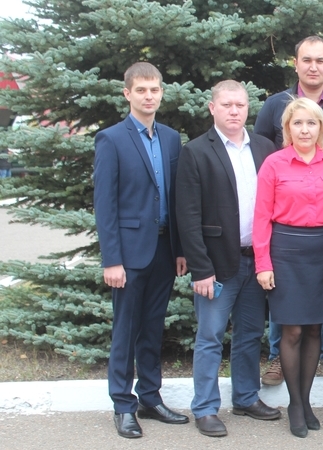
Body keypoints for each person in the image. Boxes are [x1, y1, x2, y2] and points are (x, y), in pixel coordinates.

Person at [254, 36, 323, 386]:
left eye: (320, 60)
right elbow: (260, 152)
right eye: (306, 60)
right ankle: (277, 357)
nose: (313, 66)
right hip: (287, 225)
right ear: (296, 64)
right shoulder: (274, 106)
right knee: (283, 302)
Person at [175, 80, 281, 438]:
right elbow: (188, 216)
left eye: (240, 105)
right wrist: (201, 269)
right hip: (217, 265)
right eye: (227, 105)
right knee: (210, 337)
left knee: (250, 334)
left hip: (256, 261)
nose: (234, 111)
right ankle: (205, 408)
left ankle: (246, 398)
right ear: (212, 108)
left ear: (248, 108)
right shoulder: (195, 152)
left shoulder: (264, 147)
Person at [93, 62, 188, 438]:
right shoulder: (111, 139)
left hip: (164, 250)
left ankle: (150, 397)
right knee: (126, 329)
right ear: (127, 94)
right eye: (141, 90)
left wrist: (179, 249)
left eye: (154, 90)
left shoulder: (170, 138)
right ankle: (122, 404)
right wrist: (112, 259)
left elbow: (175, 198)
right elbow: (105, 205)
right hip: (129, 254)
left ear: (161, 92)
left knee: (152, 328)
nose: (149, 96)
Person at [253, 97, 323, 438]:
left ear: (320, 128)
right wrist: (263, 263)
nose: (304, 129)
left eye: (311, 123)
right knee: (291, 331)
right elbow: (261, 217)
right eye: (298, 123)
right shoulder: (274, 164)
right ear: (287, 129)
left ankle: (306, 402)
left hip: (322, 250)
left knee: (315, 330)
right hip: (285, 251)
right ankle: (295, 404)